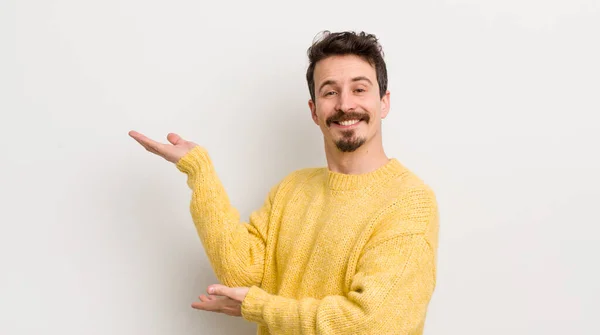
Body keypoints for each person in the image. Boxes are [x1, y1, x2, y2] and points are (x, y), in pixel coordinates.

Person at [129, 30, 439, 335]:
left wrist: (261, 308)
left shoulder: (410, 203)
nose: (345, 104)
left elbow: (371, 323)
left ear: (383, 102)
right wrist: (199, 171)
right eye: (330, 92)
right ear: (314, 110)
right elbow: (241, 275)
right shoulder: (293, 189)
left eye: (360, 89)